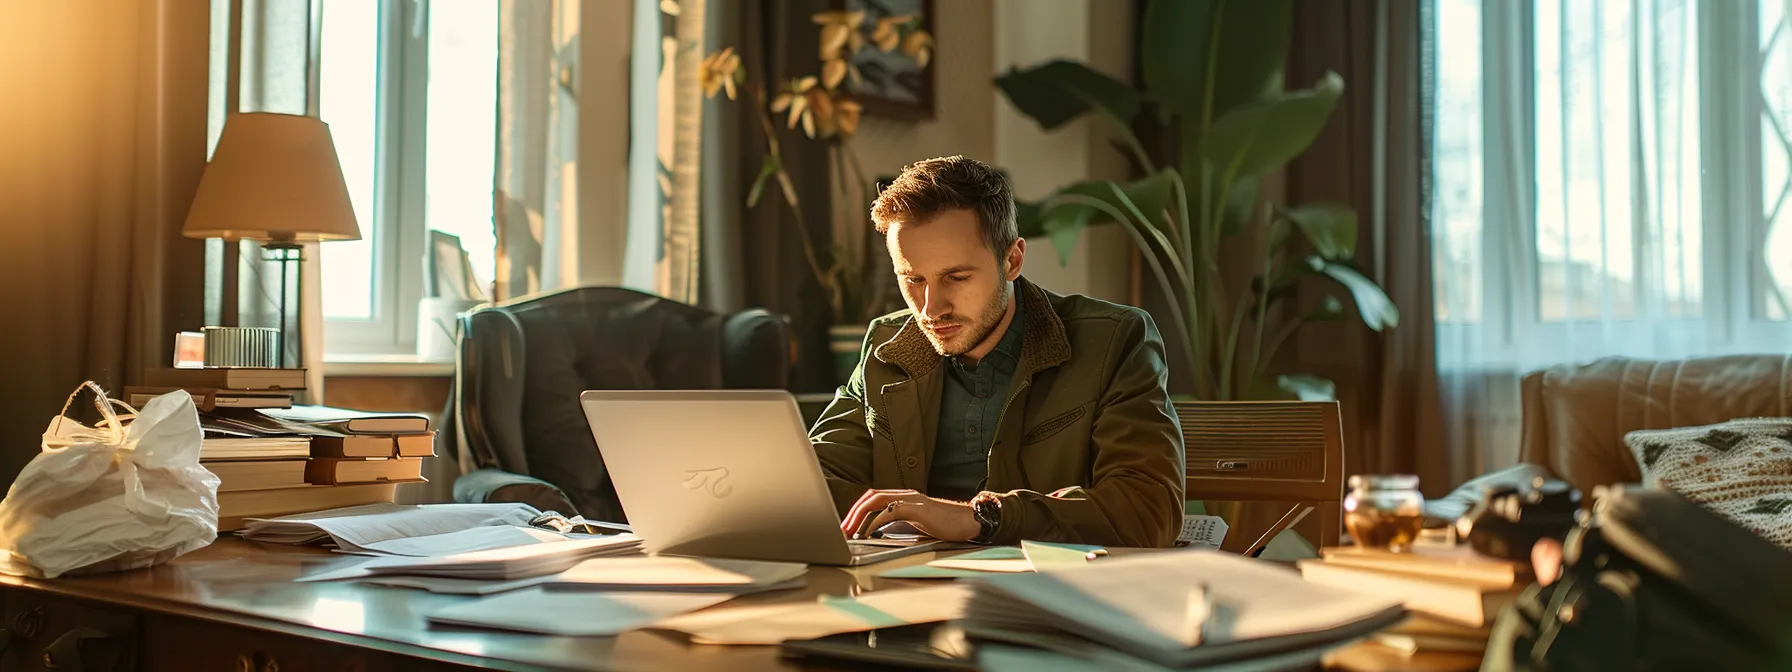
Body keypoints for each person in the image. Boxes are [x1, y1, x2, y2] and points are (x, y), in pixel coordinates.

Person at [808, 155, 1186, 548]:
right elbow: (809, 482)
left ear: (1013, 260)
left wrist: (981, 519)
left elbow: (1147, 511)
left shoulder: (1113, 340)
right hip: (900, 589)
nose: (930, 308)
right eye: (913, 279)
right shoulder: (888, 347)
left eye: (956, 277)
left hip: (1052, 595)